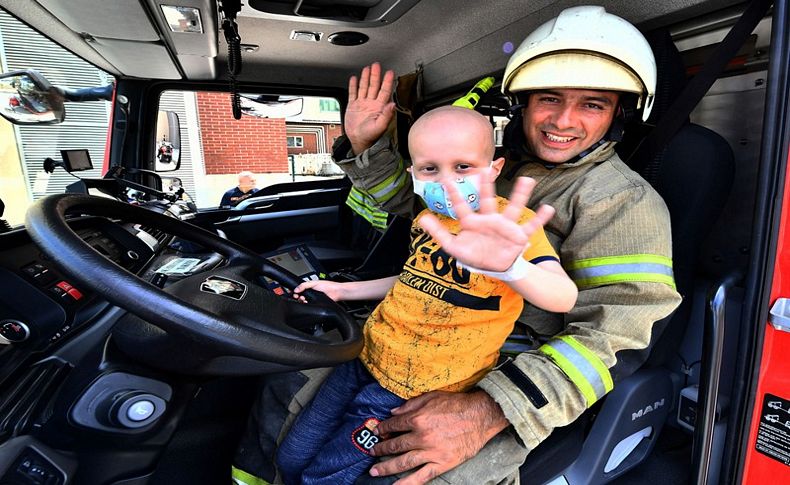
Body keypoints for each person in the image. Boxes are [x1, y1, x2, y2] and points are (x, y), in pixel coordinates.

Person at [232, 6, 682, 484]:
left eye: (593, 103)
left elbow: (617, 337)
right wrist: (365, 146)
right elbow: (418, 207)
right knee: (285, 388)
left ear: (618, 115)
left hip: (506, 376)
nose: (564, 120)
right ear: (522, 105)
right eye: (549, 98)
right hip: (407, 340)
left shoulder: (622, 202)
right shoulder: (497, 167)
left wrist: (490, 408)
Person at [274, 106, 577, 484]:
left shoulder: (509, 227)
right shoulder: (426, 221)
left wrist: (512, 267)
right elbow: (411, 279)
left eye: (463, 167)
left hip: (415, 388)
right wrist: (341, 289)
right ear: (413, 174)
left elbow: (564, 297)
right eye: (430, 169)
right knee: (291, 455)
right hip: (365, 357)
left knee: (325, 476)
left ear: (494, 170)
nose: (447, 182)